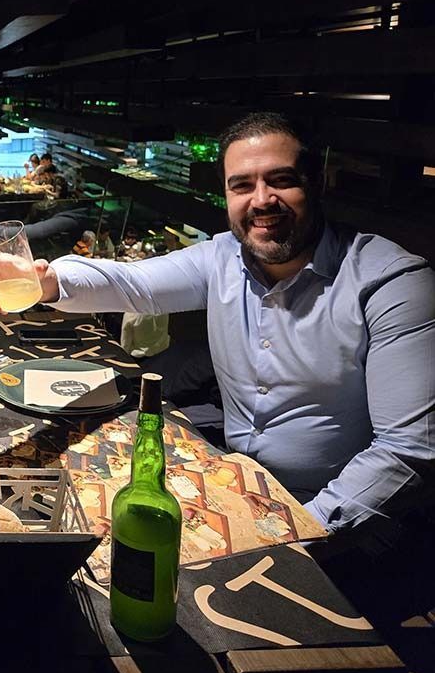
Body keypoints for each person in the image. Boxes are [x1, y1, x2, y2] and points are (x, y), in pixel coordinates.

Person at [27, 111, 435, 537]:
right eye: (242, 185)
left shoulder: (391, 282)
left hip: (337, 516)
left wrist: (296, 533)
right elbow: (133, 285)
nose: (261, 200)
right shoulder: (220, 256)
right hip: (234, 480)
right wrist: (45, 282)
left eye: (281, 180)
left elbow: (406, 451)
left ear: (316, 184)